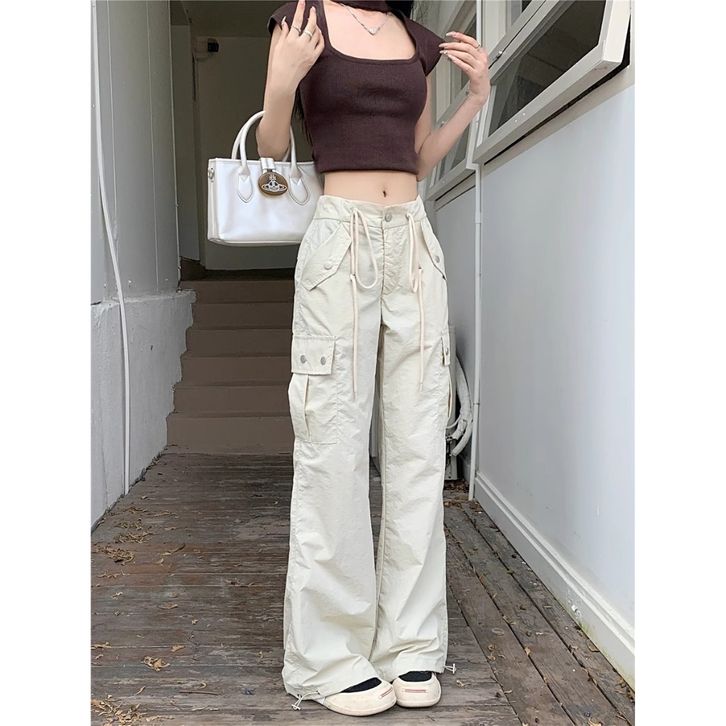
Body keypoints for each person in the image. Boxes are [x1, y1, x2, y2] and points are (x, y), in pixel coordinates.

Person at [259, 0, 490, 716]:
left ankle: (410, 644)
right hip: (341, 241)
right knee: (332, 444)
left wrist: (475, 99)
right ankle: (329, 653)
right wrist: (283, 82)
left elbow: (415, 158)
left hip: (412, 240)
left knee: (418, 444)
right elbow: (272, 147)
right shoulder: (301, 20)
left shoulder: (415, 38)